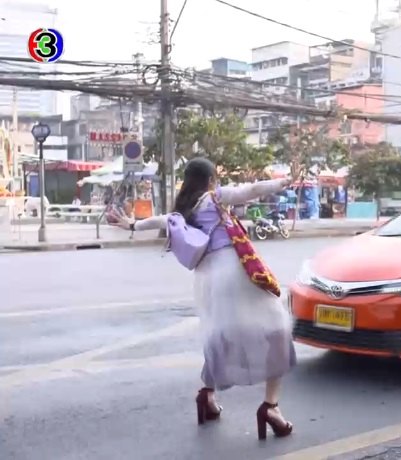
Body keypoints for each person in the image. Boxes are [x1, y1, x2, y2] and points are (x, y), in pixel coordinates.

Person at [111, 157, 296, 441]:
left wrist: (133, 225)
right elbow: (251, 190)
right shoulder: (215, 198)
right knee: (277, 330)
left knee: (219, 336)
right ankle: (271, 407)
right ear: (210, 181)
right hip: (235, 272)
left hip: (207, 279)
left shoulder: (183, 211)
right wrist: (283, 182)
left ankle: (207, 397)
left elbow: (162, 221)